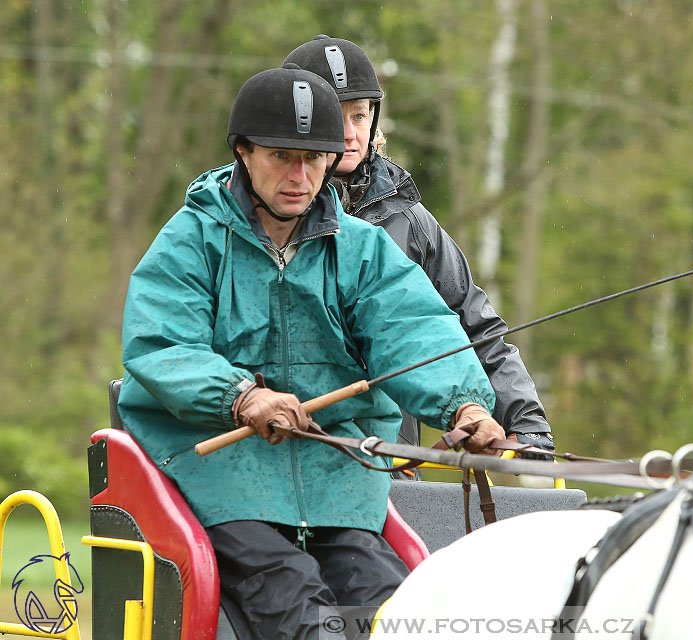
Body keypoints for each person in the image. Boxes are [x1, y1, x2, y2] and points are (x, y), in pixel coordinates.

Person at [117, 64, 504, 639]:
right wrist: (243, 396)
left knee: (399, 620)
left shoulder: (363, 249)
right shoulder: (189, 240)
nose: (300, 176)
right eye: (281, 156)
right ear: (243, 152)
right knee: (309, 617)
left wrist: (463, 406)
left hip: (337, 481)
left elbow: (414, 329)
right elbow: (161, 344)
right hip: (224, 478)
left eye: (315, 159)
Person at [284, 36, 555, 469]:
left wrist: (525, 423)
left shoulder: (411, 223)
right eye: (335, 118)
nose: (351, 134)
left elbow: (470, 323)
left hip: (390, 463)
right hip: (286, 451)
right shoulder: (266, 215)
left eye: (360, 115)